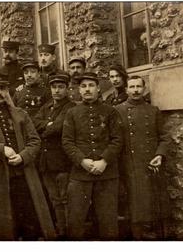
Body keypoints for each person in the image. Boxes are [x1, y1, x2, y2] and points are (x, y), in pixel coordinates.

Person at [0, 70, 56, 241]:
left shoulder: (21, 114)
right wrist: (0, 148)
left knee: (32, 226)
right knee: (6, 230)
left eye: (3, 88)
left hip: (25, 177)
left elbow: (35, 141)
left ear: (7, 90)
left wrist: (23, 156)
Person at [62, 72, 123, 240]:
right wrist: (82, 160)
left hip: (107, 173)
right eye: (83, 86)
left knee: (108, 221)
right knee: (76, 220)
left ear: (98, 88)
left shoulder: (110, 112)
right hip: (80, 174)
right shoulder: (72, 113)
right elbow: (67, 141)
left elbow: (118, 139)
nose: (87, 89)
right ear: (79, 90)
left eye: (90, 86)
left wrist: (104, 161)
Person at [115, 76, 171, 240]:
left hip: (151, 163)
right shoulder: (118, 110)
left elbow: (164, 137)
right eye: (132, 87)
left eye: (139, 86)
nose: (136, 90)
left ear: (144, 89)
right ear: (126, 90)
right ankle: (137, 239)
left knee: (158, 204)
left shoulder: (153, 110)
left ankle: (161, 238)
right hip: (129, 165)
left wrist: (160, 155)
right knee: (135, 205)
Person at [33, 72, 75, 239]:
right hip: (45, 162)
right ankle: (61, 231)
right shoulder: (47, 107)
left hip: (62, 161)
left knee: (65, 198)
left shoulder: (71, 108)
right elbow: (33, 123)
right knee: (54, 198)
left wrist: (45, 128)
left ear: (67, 89)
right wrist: (46, 126)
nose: (56, 90)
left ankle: (70, 232)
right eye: (54, 87)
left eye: (60, 87)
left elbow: (58, 128)